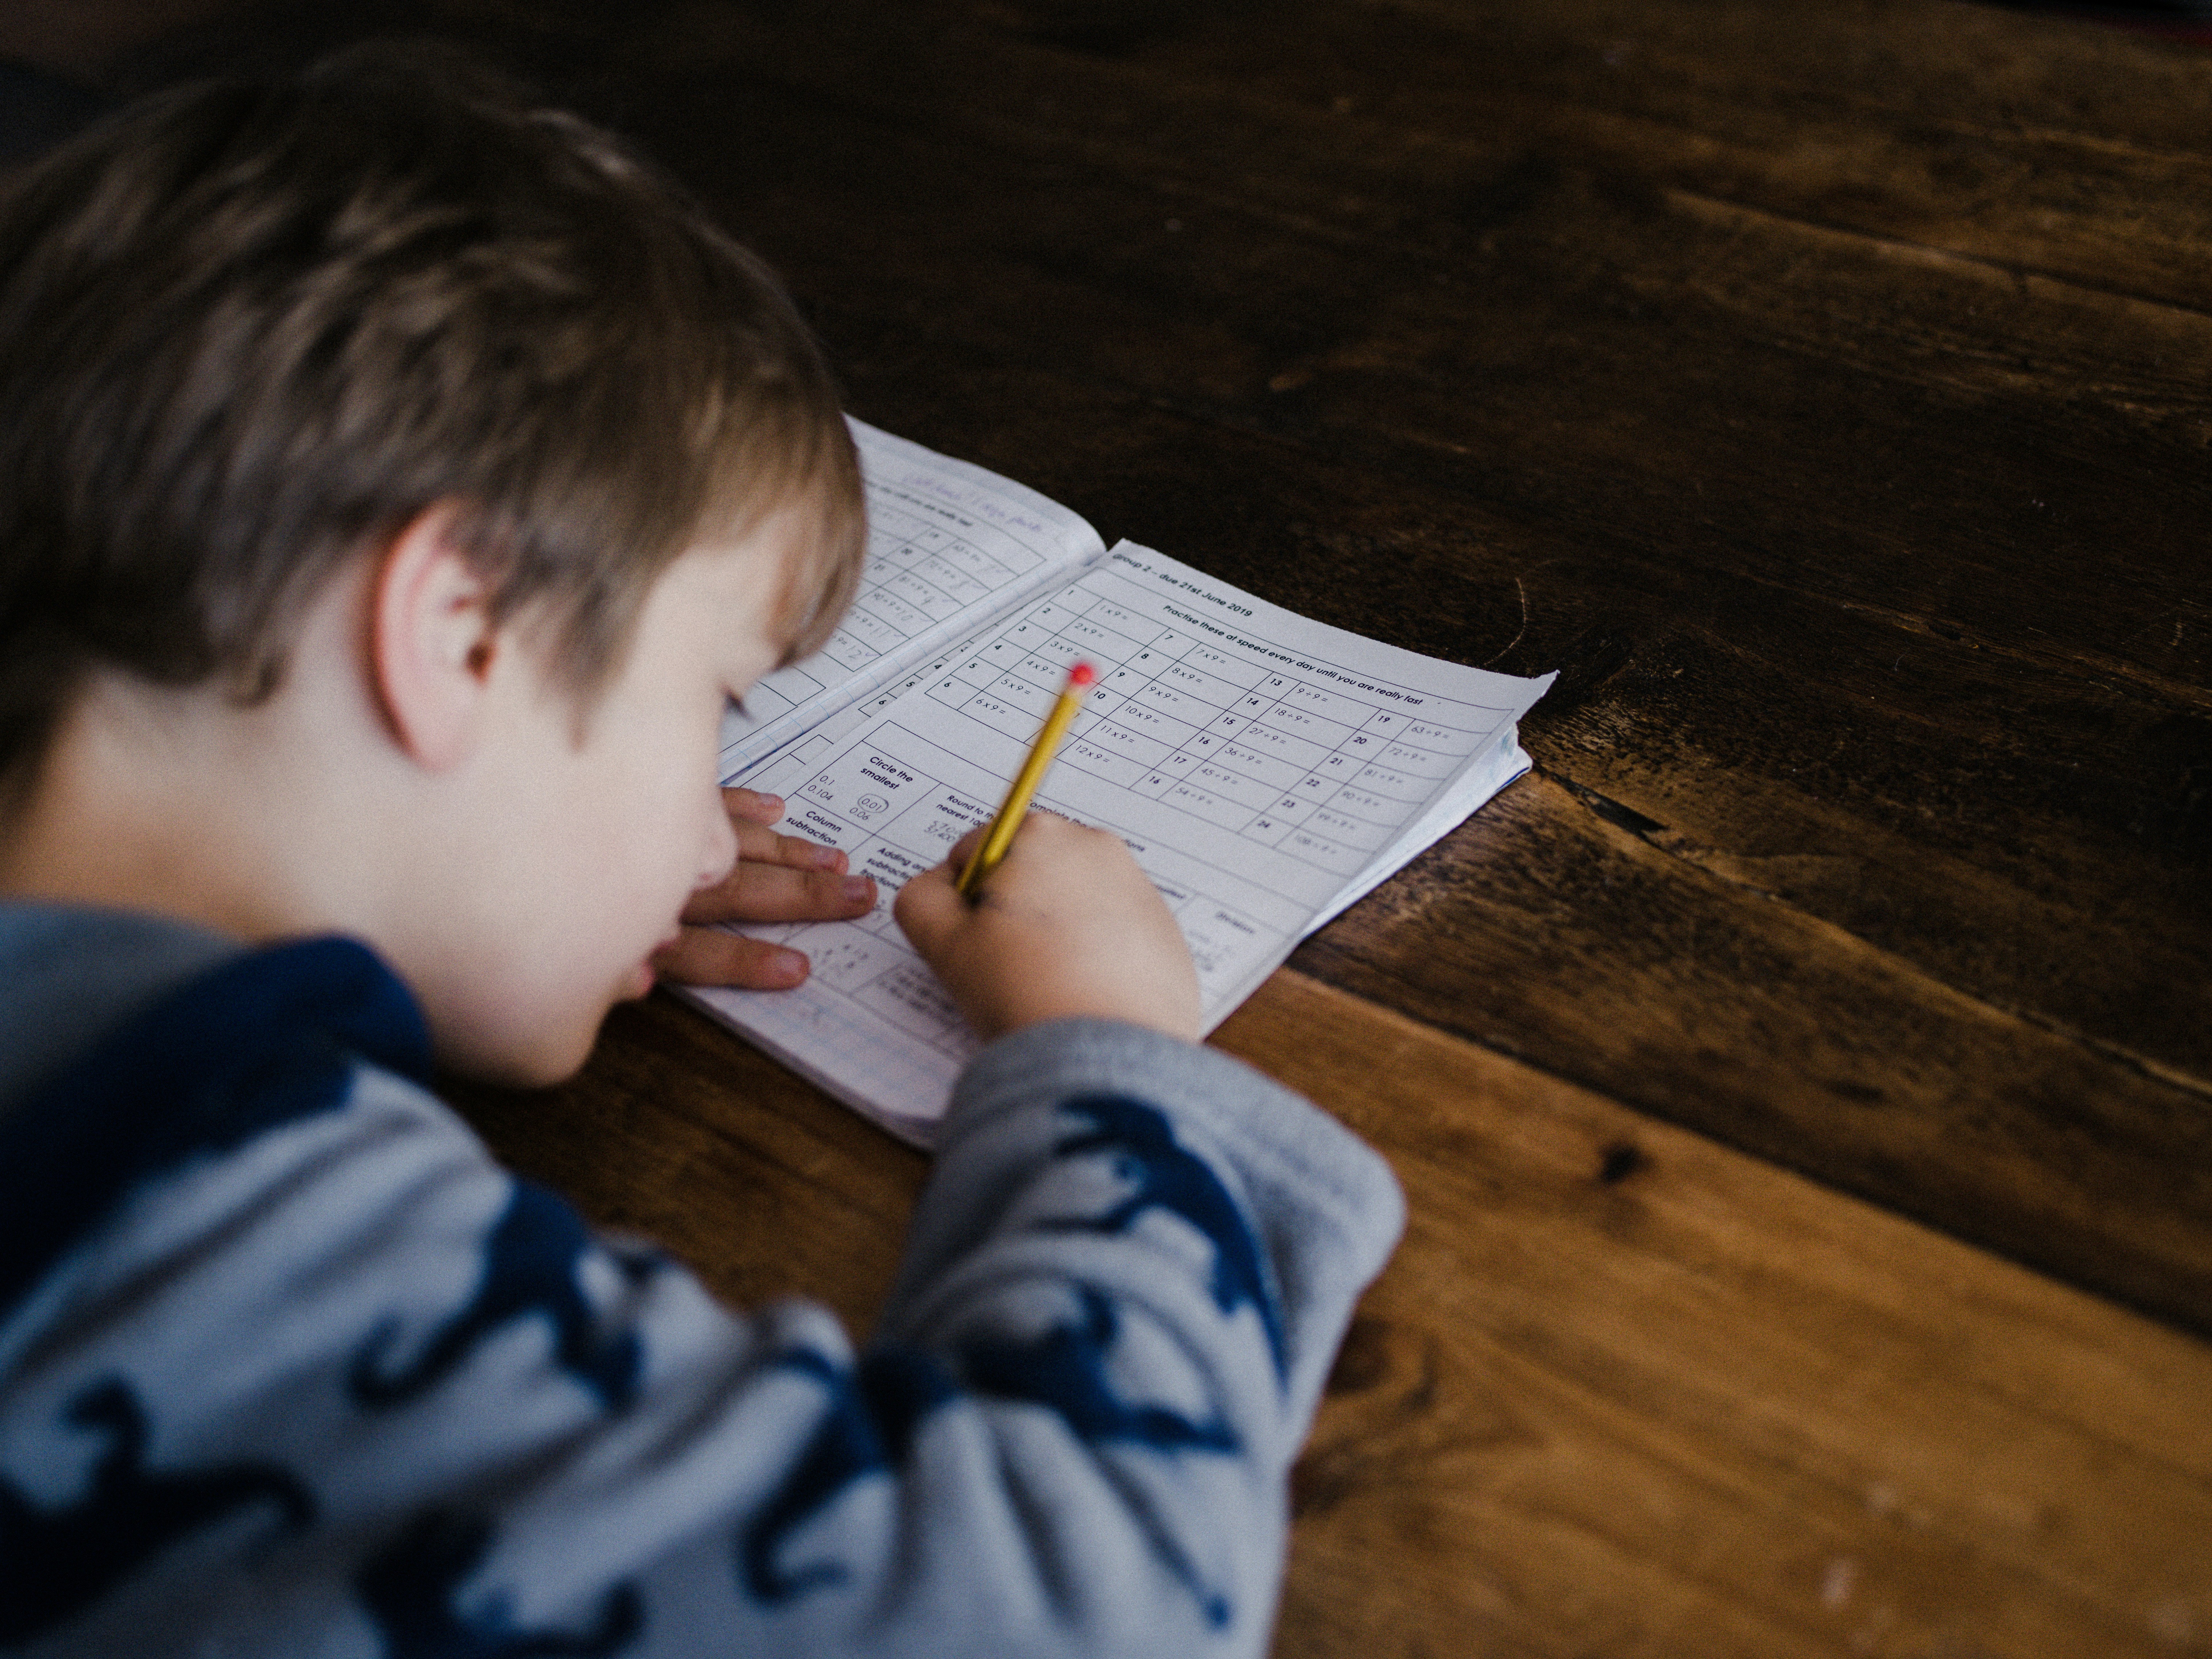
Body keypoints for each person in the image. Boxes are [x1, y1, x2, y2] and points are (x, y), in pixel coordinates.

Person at [0, 45, 1403, 1658]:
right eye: (715, 703)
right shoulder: (196, 1228)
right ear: (462, 637)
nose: (702, 826)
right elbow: (1082, 1612)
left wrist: (481, 891)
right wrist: (1114, 1064)